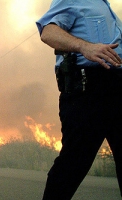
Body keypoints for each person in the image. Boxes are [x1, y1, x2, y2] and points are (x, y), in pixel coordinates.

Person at [36, 0, 122, 199]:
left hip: (116, 88)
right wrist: (85, 47)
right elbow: (48, 32)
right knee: (74, 163)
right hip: (88, 91)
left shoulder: (106, 7)